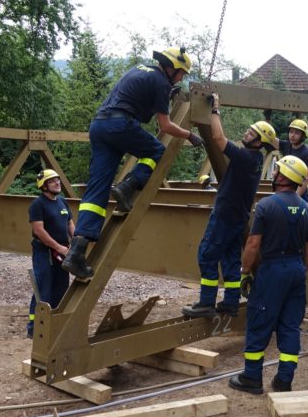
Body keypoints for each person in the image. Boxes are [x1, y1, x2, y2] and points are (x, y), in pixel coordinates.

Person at [62, 47, 204, 280]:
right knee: (156, 151)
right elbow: (165, 126)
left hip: (99, 126)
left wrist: (164, 98)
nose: (181, 78)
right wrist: (190, 135)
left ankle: (77, 251)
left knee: (96, 191)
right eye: (181, 73)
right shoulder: (161, 82)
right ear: (171, 68)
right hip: (119, 125)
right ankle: (128, 186)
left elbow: (136, 100)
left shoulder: (139, 69)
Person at [182, 94, 278, 318]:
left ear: (259, 142)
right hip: (237, 217)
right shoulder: (255, 160)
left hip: (225, 215)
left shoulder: (246, 157)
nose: (247, 133)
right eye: (249, 130)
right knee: (230, 259)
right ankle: (231, 302)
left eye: (251, 133)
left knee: (207, 255)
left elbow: (217, 138)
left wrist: (215, 109)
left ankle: (206, 303)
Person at [228, 155, 308, 394]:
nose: (274, 173)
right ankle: (284, 379)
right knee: (290, 325)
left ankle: (252, 377)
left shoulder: (266, 206)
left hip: (273, 270)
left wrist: (245, 272)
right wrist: (301, 270)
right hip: (296, 269)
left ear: (284, 176)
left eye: (277, 170)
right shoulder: (307, 209)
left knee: (260, 321)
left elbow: (253, 244)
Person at [26, 169, 74, 338]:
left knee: (61, 289)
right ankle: (34, 328)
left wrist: (76, 243)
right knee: (43, 290)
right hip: (44, 253)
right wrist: (58, 247)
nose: (57, 183)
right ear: (44, 186)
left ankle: (54, 324)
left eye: (57, 180)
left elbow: (70, 224)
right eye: (52, 181)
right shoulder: (38, 205)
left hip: (62, 254)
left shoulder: (62, 202)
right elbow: (39, 231)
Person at [278, 119, 308, 201]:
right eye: (291, 132)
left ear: (303, 136)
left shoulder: (307, 154)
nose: (292, 135)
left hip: (299, 196)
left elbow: (305, 180)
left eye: (297, 133)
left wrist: (295, 198)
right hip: (285, 191)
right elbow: (270, 139)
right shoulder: (286, 145)